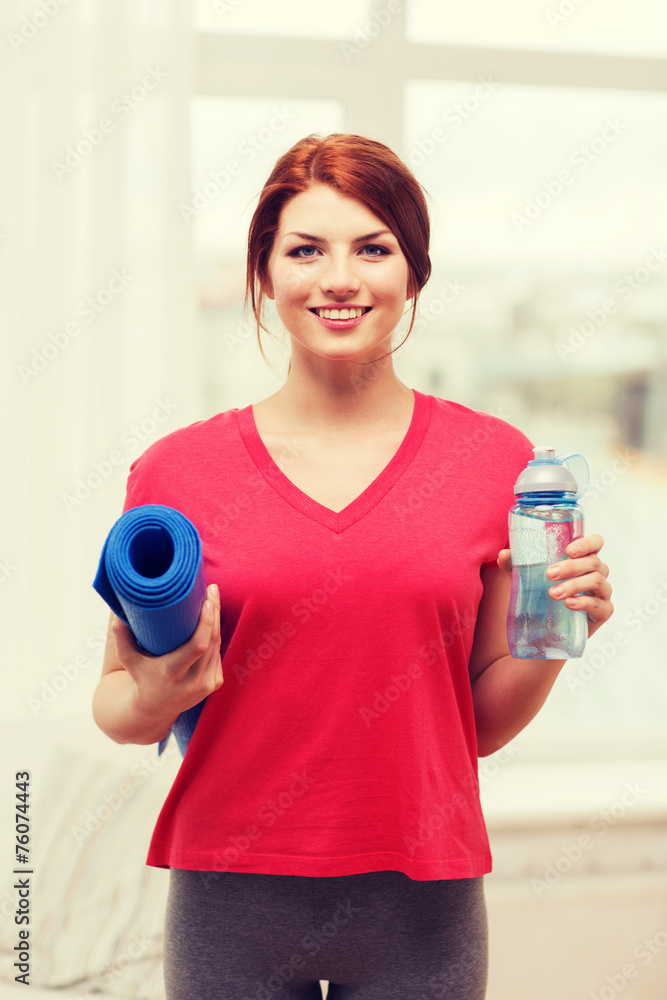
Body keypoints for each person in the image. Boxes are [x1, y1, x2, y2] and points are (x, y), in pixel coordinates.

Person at [92, 133, 614, 1000]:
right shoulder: (175, 473)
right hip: (231, 894)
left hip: (422, 899)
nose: (339, 278)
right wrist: (159, 691)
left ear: (413, 273)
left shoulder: (497, 465)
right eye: (305, 250)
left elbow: (473, 726)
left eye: (372, 248)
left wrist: (556, 632)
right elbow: (117, 705)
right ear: (264, 274)